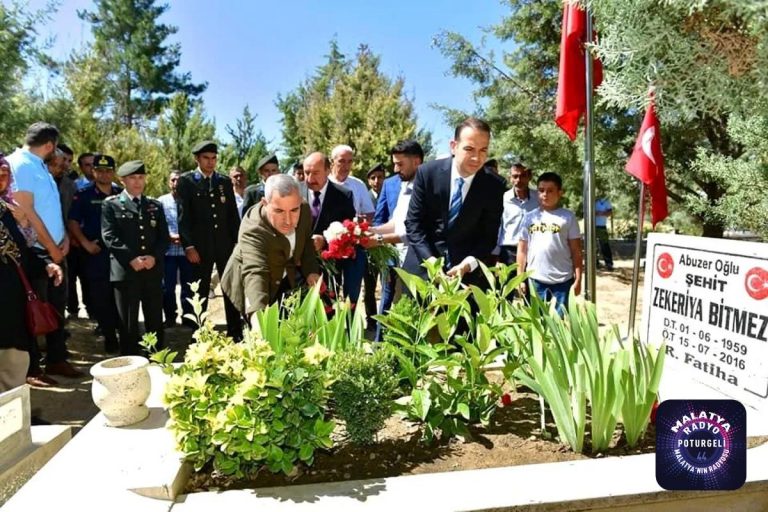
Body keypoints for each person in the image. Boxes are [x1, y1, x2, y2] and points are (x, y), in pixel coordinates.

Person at [7, 122, 81, 380]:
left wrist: (65, 241)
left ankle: (56, 359)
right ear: (50, 146)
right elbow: (27, 210)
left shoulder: (40, 166)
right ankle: (32, 369)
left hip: (57, 249)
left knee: (56, 309)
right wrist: (51, 246)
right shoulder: (21, 164)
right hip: (37, 252)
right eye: (56, 148)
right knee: (34, 309)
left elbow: (51, 208)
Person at [404, 118, 505, 289]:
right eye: (469, 149)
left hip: (466, 279)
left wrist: (468, 264)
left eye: (483, 150)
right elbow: (414, 224)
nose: (476, 157)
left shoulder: (494, 185)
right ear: (453, 146)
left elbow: (488, 236)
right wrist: (431, 263)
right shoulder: (427, 173)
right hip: (422, 271)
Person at [221, 174, 321, 327]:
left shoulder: (304, 209)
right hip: (251, 282)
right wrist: (258, 320)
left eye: (294, 210)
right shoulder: (252, 229)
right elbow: (255, 273)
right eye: (279, 211)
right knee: (253, 331)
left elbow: (306, 241)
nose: (288, 220)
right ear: (265, 203)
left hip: (286, 276)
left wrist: (311, 271)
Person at [0, 153, 63, 391]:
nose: (2, 177)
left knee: (14, 366)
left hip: (13, 306)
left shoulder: (8, 211)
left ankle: (15, 424)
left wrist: (46, 264)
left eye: (6, 172)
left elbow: (21, 253)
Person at [102, 160, 169, 355]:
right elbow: (109, 236)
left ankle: (157, 358)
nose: (137, 182)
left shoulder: (155, 206)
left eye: (141, 177)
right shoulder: (111, 205)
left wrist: (154, 257)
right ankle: (130, 360)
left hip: (151, 270)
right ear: (122, 180)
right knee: (128, 322)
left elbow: (163, 238)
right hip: (126, 272)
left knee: (155, 319)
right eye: (132, 178)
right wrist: (131, 258)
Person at [177, 141, 243, 338]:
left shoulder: (223, 182)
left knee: (230, 287)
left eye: (214, 158)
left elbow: (232, 215)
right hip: (200, 247)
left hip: (224, 245)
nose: (210, 162)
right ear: (197, 159)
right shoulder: (187, 181)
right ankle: (198, 332)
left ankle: (235, 331)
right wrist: (188, 245)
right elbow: (184, 217)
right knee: (199, 291)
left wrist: (237, 243)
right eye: (206, 158)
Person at [68, 154, 122, 353]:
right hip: (95, 254)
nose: (104, 174)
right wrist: (85, 243)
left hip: (118, 253)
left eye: (108, 170)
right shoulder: (83, 194)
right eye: (100, 170)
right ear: (93, 171)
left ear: (113, 172)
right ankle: (109, 336)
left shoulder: (121, 193)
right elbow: (73, 222)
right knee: (100, 297)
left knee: (120, 295)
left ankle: (122, 332)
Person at [371, 140, 424, 340]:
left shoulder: (427, 188)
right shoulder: (404, 186)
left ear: (417, 162)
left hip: (417, 263)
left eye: (400, 164)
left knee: (411, 314)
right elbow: (396, 223)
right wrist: (369, 230)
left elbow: (414, 232)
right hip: (398, 258)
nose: (395, 169)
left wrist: (379, 240)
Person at [517, 172, 583, 314]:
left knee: (559, 326)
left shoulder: (568, 217)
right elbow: (522, 250)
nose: (545, 194)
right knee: (537, 325)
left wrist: (578, 279)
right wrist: (520, 278)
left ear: (560, 193)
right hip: (535, 280)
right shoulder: (529, 218)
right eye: (541, 190)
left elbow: (576, 251)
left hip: (562, 282)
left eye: (550, 190)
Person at [303, 152, 361, 302]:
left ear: (328, 170)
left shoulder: (344, 195)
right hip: (300, 268)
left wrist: (325, 241)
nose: (310, 179)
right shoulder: (296, 192)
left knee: (328, 312)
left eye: (315, 173)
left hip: (330, 268)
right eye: (306, 173)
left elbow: (348, 232)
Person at [158, 170, 193, 327]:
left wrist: (186, 239)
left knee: (188, 287)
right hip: (168, 252)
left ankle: (188, 317)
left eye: (178, 180)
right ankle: (170, 317)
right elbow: (157, 226)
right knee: (167, 288)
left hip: (187, 252)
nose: (175, 183)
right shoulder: (161, 202)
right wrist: (169, 237)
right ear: (168, 182)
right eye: (173, 180)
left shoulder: (189, 200)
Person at [498, 162, 539, 266]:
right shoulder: (503, 198)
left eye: (523, 176)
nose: (518, 180)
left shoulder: (539, 199)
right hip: (509, 252)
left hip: (534, 251)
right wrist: (496, 254)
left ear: (529, 177)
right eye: (515, 176)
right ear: (510, 178)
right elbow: (499, 227)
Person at [363, 162, 386, 330]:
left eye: (380, 177)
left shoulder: (391, 194)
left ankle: (384, 320)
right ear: (368, 181)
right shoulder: (365, 197)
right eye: (373, 178)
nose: (377, 181)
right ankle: (371, 320)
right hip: (368, 249)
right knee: (369, 287)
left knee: (386, 286)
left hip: (386, 247)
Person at [329, 145, 376, 220]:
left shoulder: (359, 185)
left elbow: (370, 213)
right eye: (342, 161)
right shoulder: (324, 183)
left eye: (350, 162)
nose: (346, 166)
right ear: (332, 162)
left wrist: (360, 220)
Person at [595, 196, 614, 271]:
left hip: (601, 226)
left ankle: (609, 263)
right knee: (592, 246)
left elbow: (610, 212)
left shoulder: (606, 201)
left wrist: (601, 213)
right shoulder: (591, 199)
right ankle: (595, 263)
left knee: (605, 245)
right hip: (591, 226)